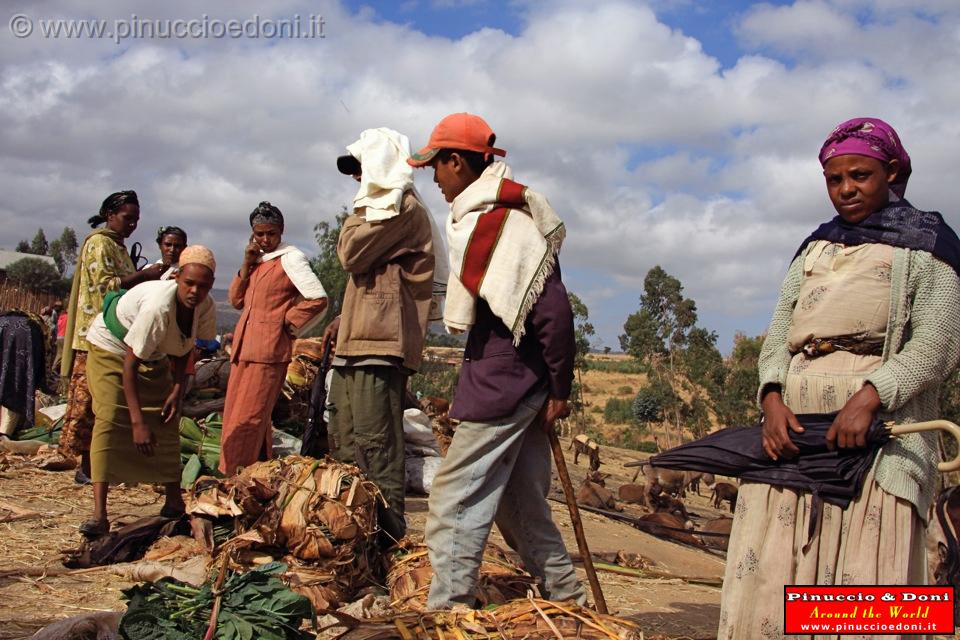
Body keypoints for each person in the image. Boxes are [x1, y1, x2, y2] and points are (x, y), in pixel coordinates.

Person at [718, 118, 960, 639]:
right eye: (834, 179)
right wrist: (773, 399)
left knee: (862, 585)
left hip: (878, 442)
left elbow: (938, 346)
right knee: (778, 566)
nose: (846, 188)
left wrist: (871, 397)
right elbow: (780, 332)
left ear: (891, 172)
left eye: (860, 175)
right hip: (794, 436)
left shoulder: (929, 246)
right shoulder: (815, 247)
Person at [408, 113, 585, 609]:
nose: (435, 179)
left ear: (457, 162)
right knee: (516, 502)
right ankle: (567, 598)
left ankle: (449, 608)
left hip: (506, 382)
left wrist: (560, 391)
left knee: (451, 497)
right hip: (510, 378)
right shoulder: (482, 217)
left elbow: (552, 312)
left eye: (436, 167)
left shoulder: (502, 224)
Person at [322, 127, 440, 544]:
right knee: (345, 437)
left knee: (376, 446)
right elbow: (361, 269)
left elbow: (351, 253)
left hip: (382, 342)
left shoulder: (403, 208)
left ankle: (387, 542)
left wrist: (355, 225)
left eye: (361, 168)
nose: (356, 179)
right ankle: (352, 536)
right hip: (358, 339)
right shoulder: (379, 209)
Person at [81, 246, 218, 537]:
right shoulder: (159, 306)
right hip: (113, 346)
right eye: (189, 283)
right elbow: (130, 366)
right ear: (177, 278)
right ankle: (99, 515)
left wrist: (178, 389)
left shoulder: (205, 307)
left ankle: (172, 501)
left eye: (203, 286)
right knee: (110, 417)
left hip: (153, 352)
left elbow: (185, 347)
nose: (195, 291)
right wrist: (137, 422)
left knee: (167, 419)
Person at [60, 191, 166, 483]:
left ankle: (102, 463)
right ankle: (86, 466)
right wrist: (144, 277)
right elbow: (105, 286)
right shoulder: (99, 244)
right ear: (110, 216)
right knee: (90, 405)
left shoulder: (118, 246)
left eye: (136, 220)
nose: (132, 225)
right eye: (127, 218)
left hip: (114, 335)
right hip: (92, 336)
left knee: (107, 403)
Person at [218, 202, 328, 475]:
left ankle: (234, 474)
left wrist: (287, 324)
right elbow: (235, 299)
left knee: (250, 416)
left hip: (268, 351)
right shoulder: (257, 262)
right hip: (244, 349)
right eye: (260, 234)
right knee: (237, 412)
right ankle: (255, 472)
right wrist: (246, 263)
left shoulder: (290, 259)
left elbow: (317, 298)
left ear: (281, 231)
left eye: (271, 233)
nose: (266, 239)